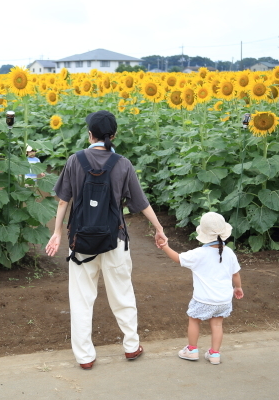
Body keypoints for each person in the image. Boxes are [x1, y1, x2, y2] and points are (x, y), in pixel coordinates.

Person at [45, 110, 168, 370]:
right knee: (122, 294)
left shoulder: (74, 161)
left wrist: (56, 233)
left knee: (81, 299)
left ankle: (85, 357)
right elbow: (141, 203)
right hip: (116, 241)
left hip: (81, 243)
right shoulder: (122, 164)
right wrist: (158, 228)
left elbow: (63, 202)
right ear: (114, 135)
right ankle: (131, 346)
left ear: (90, 134)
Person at [159, 212, 244, 365]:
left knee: (194, 321)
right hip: (223, 300)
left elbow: (179, 258)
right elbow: (235, 274)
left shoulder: (199, 253)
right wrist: (238, 287)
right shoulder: (229, 253)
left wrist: (165, 247)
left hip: (203, 299)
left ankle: (192, 350)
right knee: (217, 324)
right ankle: (215, 354)